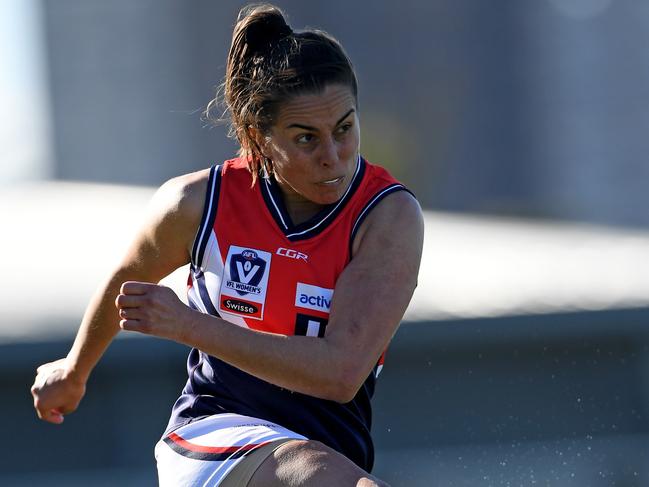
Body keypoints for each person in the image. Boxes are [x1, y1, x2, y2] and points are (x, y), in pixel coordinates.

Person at [31, 4, 424, 486]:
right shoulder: (196, 203)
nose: (333, 157)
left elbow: (341, 374)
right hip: (213, 435)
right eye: (305, 139)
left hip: (330, 449)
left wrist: (188, 326)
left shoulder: (387, 216)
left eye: (344, 129)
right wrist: (74, 370)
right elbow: (126, 283)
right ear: (259, 138)